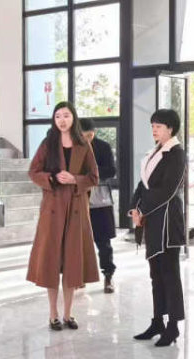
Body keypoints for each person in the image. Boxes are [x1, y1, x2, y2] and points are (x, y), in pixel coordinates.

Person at [27, 101, 100, 331]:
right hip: (53, 209)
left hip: (76, 209)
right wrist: (51, 178)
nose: (62, 120)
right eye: (58, 116)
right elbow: (33, 172)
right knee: (50, 263)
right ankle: (53, 314)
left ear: (73, 118)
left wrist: (75, 179)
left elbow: (94, 177)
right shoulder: (48, 144)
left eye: (66, 115)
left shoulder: (83, 145)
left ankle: (69, 314)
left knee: (72, 264)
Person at [131, 109, 186, 347]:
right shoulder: (155, 151)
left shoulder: (176, 153)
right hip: (153, 219)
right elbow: (143, 185)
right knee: (156, 274)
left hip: (167, 221)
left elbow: (168, 190)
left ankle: (173, 325)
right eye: (153, 125)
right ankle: (157, 321)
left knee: (170, 274)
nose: (154, 130)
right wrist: (133, 208)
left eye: (159, 126)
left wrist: (142, 210)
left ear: (170, 129)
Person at [80, 118, 117, 294]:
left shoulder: (103, 147)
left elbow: (111, 170)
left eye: (90, 136)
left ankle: (108, 276)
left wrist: (91, 174)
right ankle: (80, 276)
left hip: (100, 200)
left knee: (103, 242)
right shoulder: (72, 147)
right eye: (83, 136)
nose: (87, 139)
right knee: (78, 242)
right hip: (79, 199)